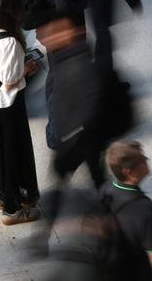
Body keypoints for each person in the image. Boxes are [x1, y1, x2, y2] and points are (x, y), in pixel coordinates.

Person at [0, 0, 41, 225]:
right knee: (12, 156)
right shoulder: (11, 41)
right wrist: (27, 68)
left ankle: (5, 199)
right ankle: (13, 211)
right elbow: (9, 78)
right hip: (6, 107)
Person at [39, 17, 108, 188]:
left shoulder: (68, 68)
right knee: (95, 170)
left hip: (77, 133)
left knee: (63, 171)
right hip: (86, 131)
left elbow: (61, 104)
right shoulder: (78, 61)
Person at [100, 140, 152, 281]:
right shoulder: (145, 209)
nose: (147, 159)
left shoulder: (107, 189)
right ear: (129, 172)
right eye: (142, 160)